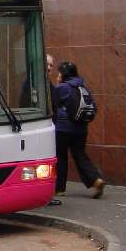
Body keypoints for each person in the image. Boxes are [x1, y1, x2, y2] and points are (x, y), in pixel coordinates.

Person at [51, 61, 105, 201]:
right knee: (80, 154)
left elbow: (54, 107)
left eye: (59, 73)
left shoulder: (61, 88)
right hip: (81, 128)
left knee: (61, 157)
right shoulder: (83, 86)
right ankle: (95, 179)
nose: (57, 76)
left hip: (63, 128)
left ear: (64, 74)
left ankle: (59, 189)